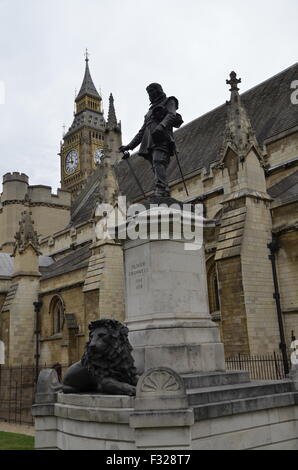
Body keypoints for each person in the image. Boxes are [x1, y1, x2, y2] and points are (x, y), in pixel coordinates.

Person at [119, 83, 183, 197]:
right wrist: (129, 146)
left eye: (151, 92)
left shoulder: (170, 101)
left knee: (159, 161)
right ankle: (163, 189)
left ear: (157, 91)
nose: (149, 95)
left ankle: (161, 189)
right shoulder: (149, 112)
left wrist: (161, 126)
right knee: (155, 166)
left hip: (163, 139)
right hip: (150, 143)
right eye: (148, 93)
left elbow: (171, 115)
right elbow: (142, 132)